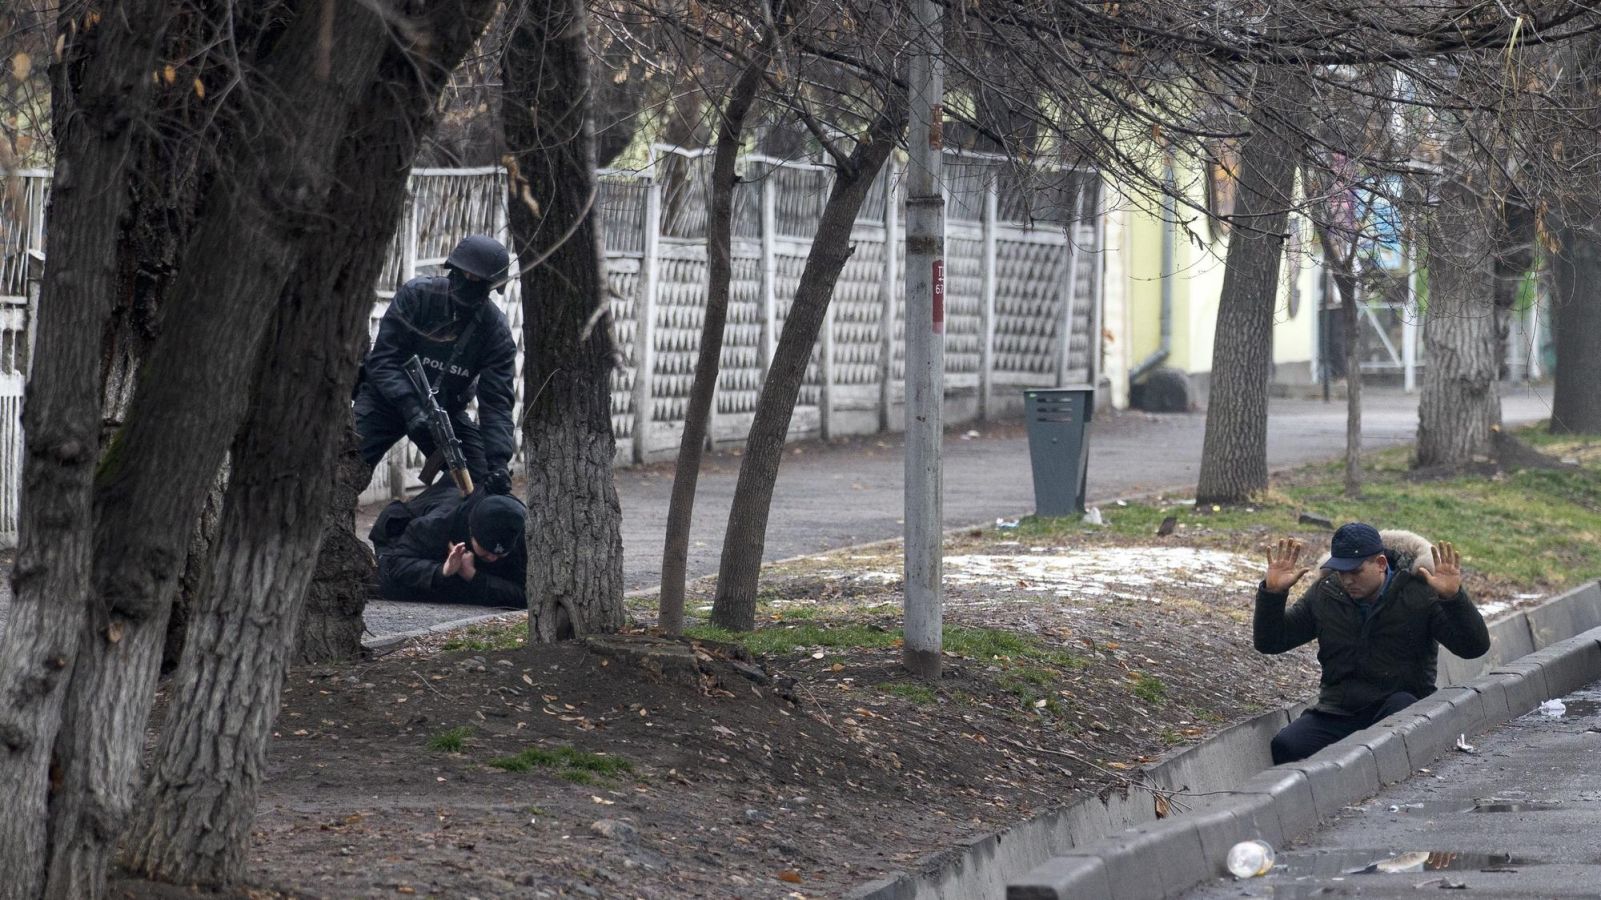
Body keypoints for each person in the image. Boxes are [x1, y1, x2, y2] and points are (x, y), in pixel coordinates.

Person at [1254, 522, 1491, 764]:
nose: (1347, 580)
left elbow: (1473, 647)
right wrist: (1273, 595)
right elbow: (1271, 641)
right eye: (1340, 571)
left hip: (1400, 707)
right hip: (1340, 711)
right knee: (1287, 745)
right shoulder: (1326, 594)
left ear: (1380, 564)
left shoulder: (1418, 592)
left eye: (1355, 571)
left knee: (1398, 722)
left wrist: (1453, 599)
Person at [355, 234, 517, 495]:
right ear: (452, 271)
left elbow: (497, 401)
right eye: (464, 275)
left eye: (478, 280)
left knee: (480, 482)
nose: (468, 283)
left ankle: (417, 526)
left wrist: (498, 462)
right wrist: (409, 406)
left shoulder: (494, 331)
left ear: (490, 286)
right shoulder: (417, 296)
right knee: (344, 466)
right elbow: (383, 360)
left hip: (443, 414)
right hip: (385, 401)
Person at [375, 484, 528, 608]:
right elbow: (394, 564)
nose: (492, 558)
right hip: (401, 539)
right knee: (392, 587)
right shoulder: (439, 522)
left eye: (500, 554)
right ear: (471, 533)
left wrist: (473, 576)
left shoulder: (523, 532)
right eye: (486, 552)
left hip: (467, 567)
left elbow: (528, 594)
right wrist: (441, 571)